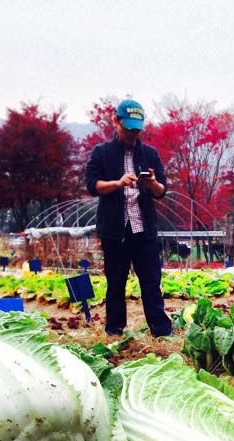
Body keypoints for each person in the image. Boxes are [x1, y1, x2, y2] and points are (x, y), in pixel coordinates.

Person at [85, 99, 172, 336]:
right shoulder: (101, 153)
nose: (132, 135)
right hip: (115, 231)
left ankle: (161, 332)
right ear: (116, 121)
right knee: (116, 284)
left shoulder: (150, 154)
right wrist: (118, 183)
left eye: (137, 130)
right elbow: (92, 185)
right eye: (128, 129)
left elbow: (162, 191)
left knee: (151, 283)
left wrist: (152, 182)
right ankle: (115, 331)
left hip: (143, 229)